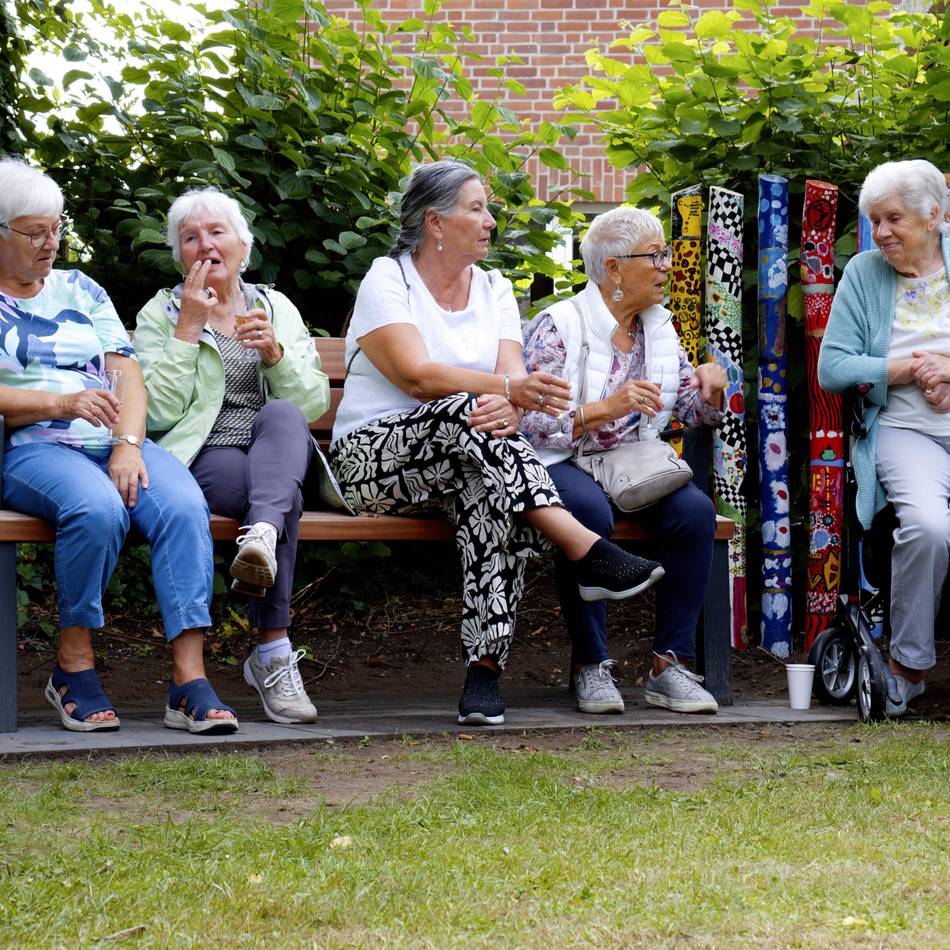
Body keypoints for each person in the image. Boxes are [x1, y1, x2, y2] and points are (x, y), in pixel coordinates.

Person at [330, 160, 665, 726]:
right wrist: (503, 391)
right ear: (435, 223)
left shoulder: (493, 288)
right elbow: (417, 376)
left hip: (469, 463)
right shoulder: (390, 279)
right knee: (465, 415)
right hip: (371, 464)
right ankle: (585, 548)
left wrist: (509, 402)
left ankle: (483, 676)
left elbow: (517, 390)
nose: (489, 220)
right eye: (476, 208)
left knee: (492, 494)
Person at [0, 158, 236, 734]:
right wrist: (61, 403)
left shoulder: (81, 288)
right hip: (32, 447)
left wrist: (129, 444)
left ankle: (188, 681)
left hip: (109, 440)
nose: (50, 242)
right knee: (97, 507)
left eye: (56, 228)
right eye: (35, 232)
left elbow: (125, 372)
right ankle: (72, 666)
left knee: (182, 504)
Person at [135, 187, 331, 724]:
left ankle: (261, 538)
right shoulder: (162, 311)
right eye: (191, 238)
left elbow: (311, 404)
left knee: (285, 417)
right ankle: (272, 648)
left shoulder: (275, 307)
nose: (205, 245)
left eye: (217, 232)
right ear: (181, 256)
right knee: (277, 501)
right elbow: (158, 414)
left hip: (276, 448)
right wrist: (187, 328)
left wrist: (275, 355)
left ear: (242, 245)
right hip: (207, 454)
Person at [522, 206, 727, 715]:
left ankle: (668, 667)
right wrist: (602, 410)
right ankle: (591, 663)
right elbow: (526, 422)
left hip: (632, 464)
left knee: (695, 514)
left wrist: (713, 390)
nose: (666, 266)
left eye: (665, 254)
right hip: (561, 457)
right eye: (655, 256)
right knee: (586, 512)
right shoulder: (559, 326)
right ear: (613, 268)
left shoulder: (658, 328)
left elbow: (690, 412)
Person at [818, 158, 950, 718]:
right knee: (926, 526)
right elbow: (834, 368)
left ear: (935, 216)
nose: (883, 233)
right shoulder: (866, 273)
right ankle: (908, 666)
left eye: (894, 218)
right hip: (903, 428)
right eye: (875, 221)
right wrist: (910, 369)